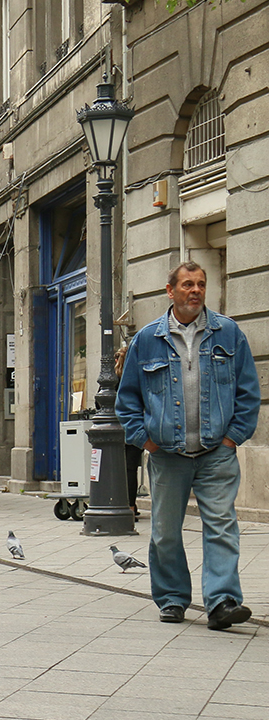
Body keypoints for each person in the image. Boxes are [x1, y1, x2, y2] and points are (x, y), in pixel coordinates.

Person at [117, 261, 259, 630]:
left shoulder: (228, 333)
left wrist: (232, 439)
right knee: (165, 532)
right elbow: (127, 399)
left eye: (200, 284)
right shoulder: (147, 339)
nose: (195, 290)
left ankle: (223, 601)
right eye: (187, 285)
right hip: (167, 455)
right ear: (170, 291)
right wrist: (146, 441)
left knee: (222, 526)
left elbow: (248, 393)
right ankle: (172, 598)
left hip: (217, 453)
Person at [113, 344, 144, 523]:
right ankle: (131, 505)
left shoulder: (116, 380)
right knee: (131, 469)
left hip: (121, 429)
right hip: (137, 427)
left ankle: (128, 505)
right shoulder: (137, 378)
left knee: (125, 470)